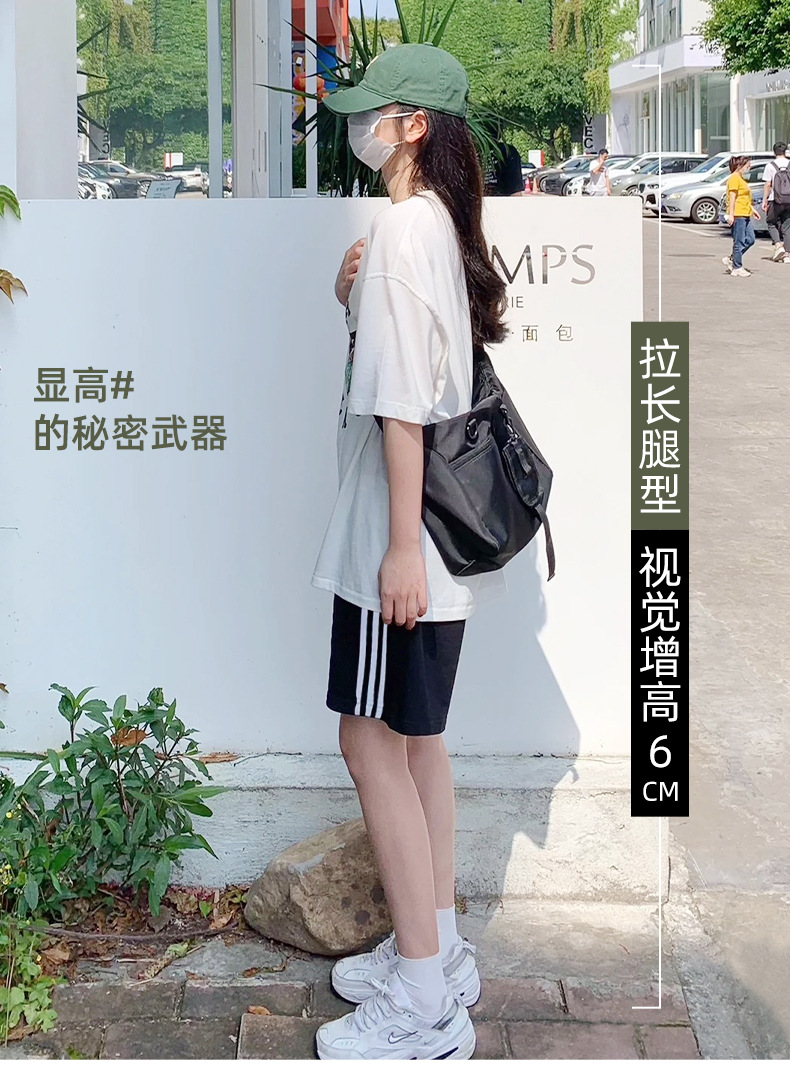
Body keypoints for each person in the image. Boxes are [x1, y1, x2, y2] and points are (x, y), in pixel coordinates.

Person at [311, 43, 509, 1061]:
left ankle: (424, 1004)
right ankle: (439, 949)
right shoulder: (437, 224)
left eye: (373, 112)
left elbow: (401, 407)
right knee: (418, 739)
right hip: (436, 543)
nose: (361, 127)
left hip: (400, 544)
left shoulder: (401, 228)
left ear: (412, 127)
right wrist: (352, 295)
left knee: (368, 742)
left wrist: (397, 551)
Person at [723, 156, 761, 277]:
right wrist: (731, 214)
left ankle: (733, 259)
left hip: (745, 212)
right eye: (747, 166)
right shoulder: (734, 178)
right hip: (738, 213)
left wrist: (752, 210)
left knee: (750, 239)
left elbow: (744, 198)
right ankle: (737, 267)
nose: (749, 168)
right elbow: (732, 198)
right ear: (739, 166)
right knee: (739, 241)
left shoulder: (741, 178)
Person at [762, 141, 790, 262]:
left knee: (771, 222)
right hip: (789, 200)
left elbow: (768, 184)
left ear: (774, 152)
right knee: (787, 225)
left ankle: (778, 245)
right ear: (785, 151)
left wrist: (765, 200)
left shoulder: (770, 166)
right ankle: (787, 254)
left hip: (775, 199)